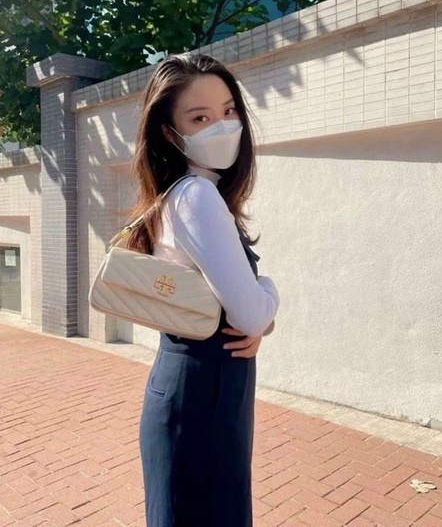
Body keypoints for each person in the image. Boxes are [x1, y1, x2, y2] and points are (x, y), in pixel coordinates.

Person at [125, 52, 280, 527]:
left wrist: (256, 319)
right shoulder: (197, 196)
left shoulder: (179, 193)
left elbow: (238, 314)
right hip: (203, 396)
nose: (223, 126)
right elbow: (251, 314)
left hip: (192, 386)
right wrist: (269, 292)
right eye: (200, 118)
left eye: (229, 110)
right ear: (171, 134)